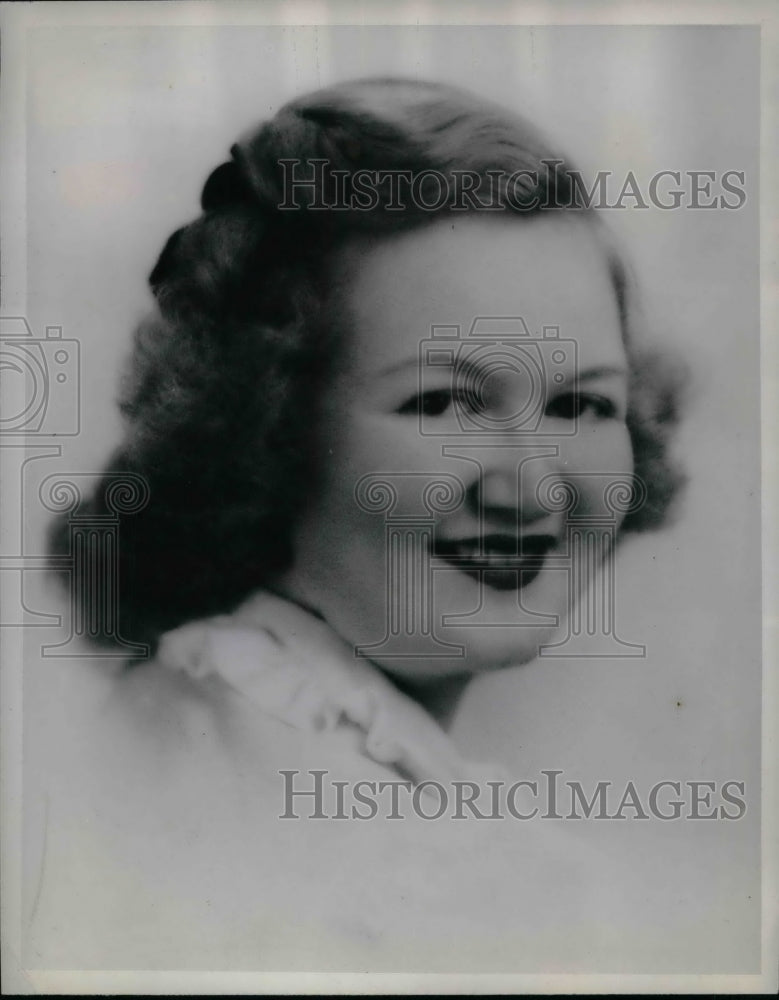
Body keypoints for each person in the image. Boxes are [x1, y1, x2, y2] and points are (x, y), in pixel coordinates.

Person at [30, 77, 686, 970]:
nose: (531, 488)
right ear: (266, 428)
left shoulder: (232, 722)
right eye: (445, 404)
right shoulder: (319, 821)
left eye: (581, 406)